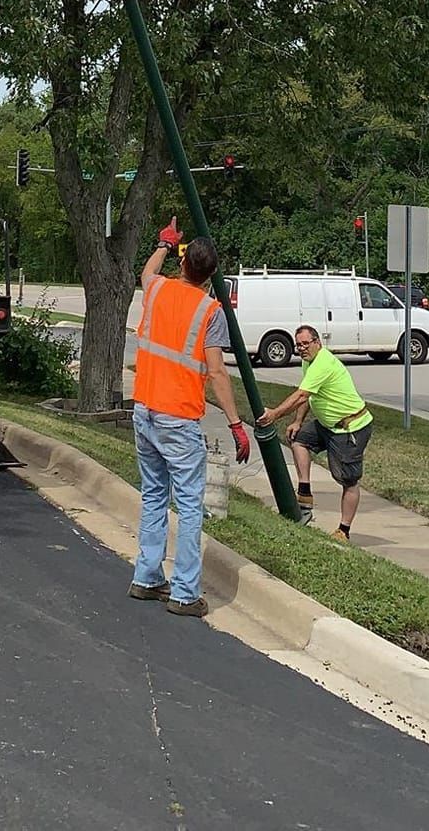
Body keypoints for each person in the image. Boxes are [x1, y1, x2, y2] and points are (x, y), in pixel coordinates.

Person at [128, 220, 250, 618]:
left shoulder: (158, 288)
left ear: (182, 264)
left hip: (143, 408)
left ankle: (146, 578)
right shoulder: (210, 311)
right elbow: (216, 372)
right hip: (177, 418)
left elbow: (146, 273)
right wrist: (235, 424)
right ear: (211, 275)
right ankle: (183, 592)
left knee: (153, 495)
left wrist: (164, 242)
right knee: (189, 504)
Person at [256, 324, 373, 541]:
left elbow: (301, 395)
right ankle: (305, 493)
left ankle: (343, 531)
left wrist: (274, 415)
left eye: (305, 344)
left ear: (317, 342)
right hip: (327, 425)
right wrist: (298, 421)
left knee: (348, 480)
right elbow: (309, 395)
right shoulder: (308, 361)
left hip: (350, 428)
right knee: (298, 439)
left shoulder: (323, 363)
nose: (301, 348)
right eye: (298, 345)